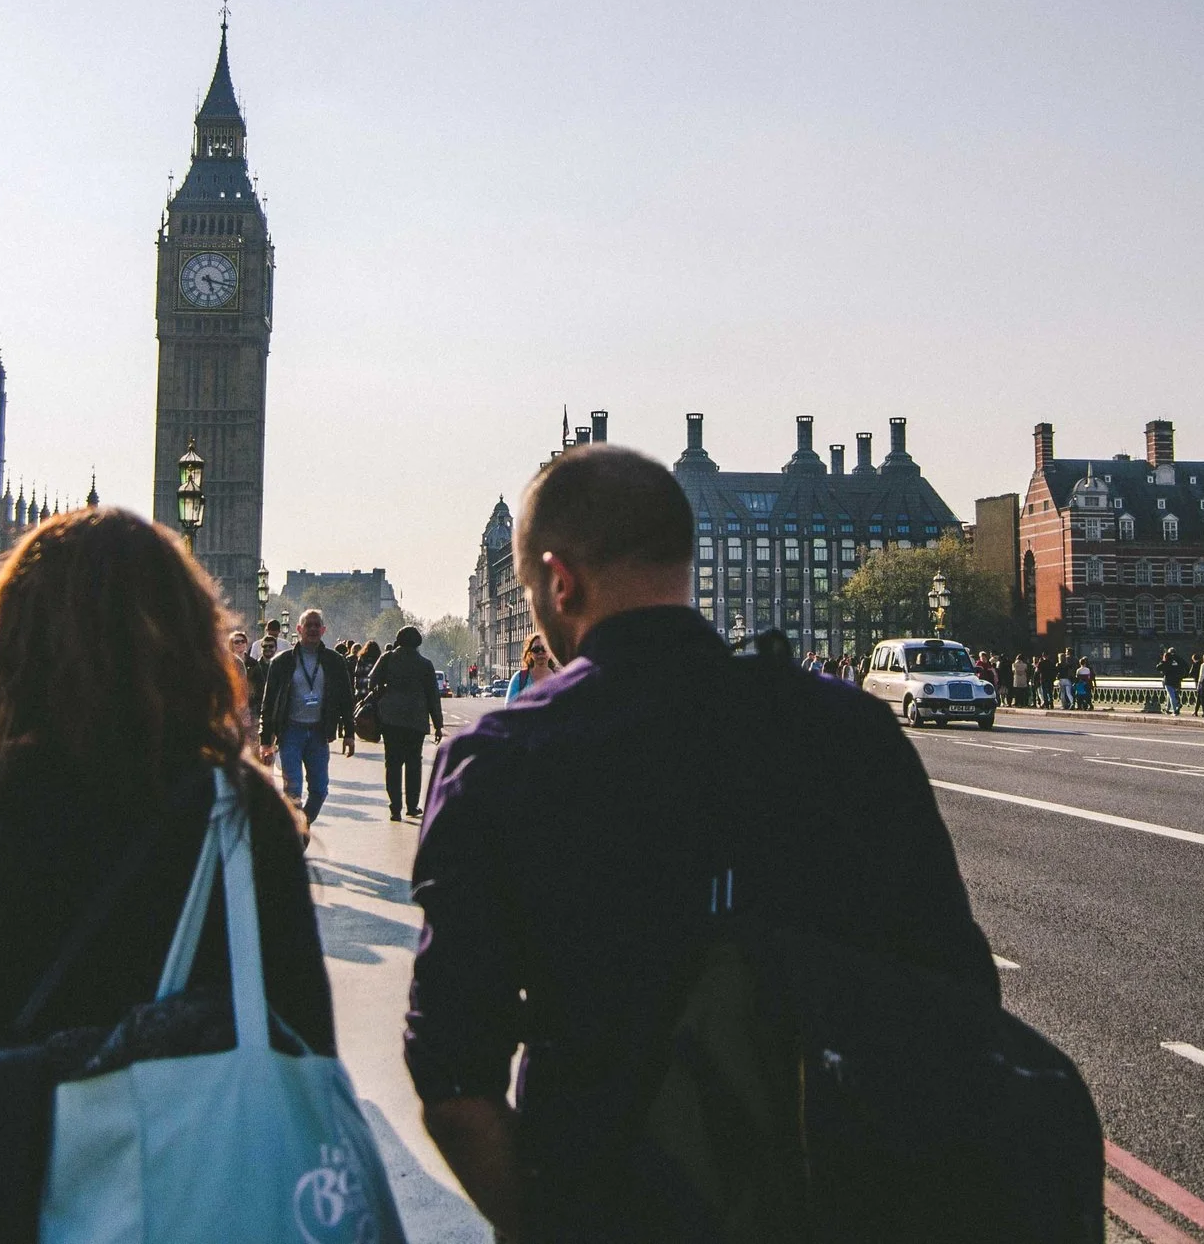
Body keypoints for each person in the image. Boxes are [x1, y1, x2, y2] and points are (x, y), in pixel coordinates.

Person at [405, 445, 999, 1241]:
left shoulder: (498, 764)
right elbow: (959, 996)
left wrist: (553, 1224)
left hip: (610, 1196)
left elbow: (449, 1073)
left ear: (558, 579)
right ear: (683, 560)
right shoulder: (849, 731)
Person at [0, 503, 335, 1098]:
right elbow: (305, 1049)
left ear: (9, 635)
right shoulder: (234, 807)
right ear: (182, 638)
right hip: (171, 1170)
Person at [258, 607, 354, 822]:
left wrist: (349, 733)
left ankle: (302, 825)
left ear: (323, 630)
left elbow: (346, 699)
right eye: (307, 625)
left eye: (316, 625)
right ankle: (294, 835)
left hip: (319, 732)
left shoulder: (334, 661)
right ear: (299, 629)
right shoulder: (281, 662)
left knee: (320, 789)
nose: (312, 629)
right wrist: (265, 741)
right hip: (291, 731)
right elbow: (269, 702)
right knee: (292, 791)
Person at [369, 625, 447, 822]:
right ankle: (412, 806)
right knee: (414, 762)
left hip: (391, 718)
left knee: (392, 763)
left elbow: (371, 681)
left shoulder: (387, 658)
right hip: (416, 718)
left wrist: (384, 693)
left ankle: (395, 807)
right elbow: (432, 697)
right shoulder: (425, 664)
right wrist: (438, 724)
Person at [506, 633, 556, 703]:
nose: (540, 652)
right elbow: (509, 707)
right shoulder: (519, 678)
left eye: (544, 648)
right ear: (530, 654)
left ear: (551, 651)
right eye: (536, 649)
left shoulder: (560, 677)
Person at [1157, 647, 1186, 717]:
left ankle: (1175, 708)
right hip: (1177, 680)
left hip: (1168, 681)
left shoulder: (1167, 661)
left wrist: (1163, 661)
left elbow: (1158, 667)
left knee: (1171, 695)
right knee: (1172, 694)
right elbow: (1185, 668)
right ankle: (1168, 708)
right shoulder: (1179, 660)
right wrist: (1183, 676)